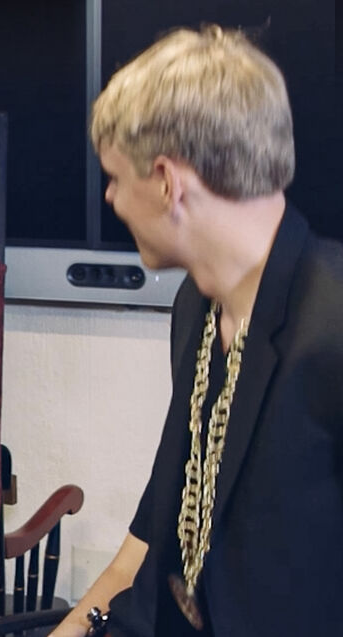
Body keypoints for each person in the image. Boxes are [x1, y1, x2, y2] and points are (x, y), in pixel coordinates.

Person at [51, 25, 343, 636]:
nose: (110, 198)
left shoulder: (333, 322)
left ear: (166, 181)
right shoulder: (195, 307)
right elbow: (164, 523)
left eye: (114, 177)